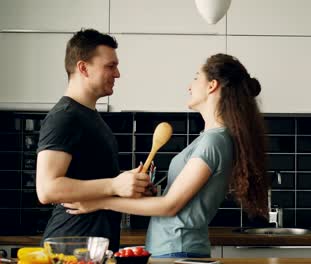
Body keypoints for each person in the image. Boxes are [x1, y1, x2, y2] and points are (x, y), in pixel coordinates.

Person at [64, 53, 270, 258]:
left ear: (211, 86)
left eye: (197, 77)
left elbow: (170, 206)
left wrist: (99, 201)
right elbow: (177, 202)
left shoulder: (214, 141)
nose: (190, 86)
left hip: (179, 249)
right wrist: (153, 195)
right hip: (174, 248)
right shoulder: (210, 138)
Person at [36, 28, 150, 251]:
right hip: (69, 247)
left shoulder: (89, 116)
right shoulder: (65, 117)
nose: (117, 74)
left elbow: (92, 181)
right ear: (83, 67)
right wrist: (114, 184)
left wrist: (129, 183)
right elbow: (47, 188)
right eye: (110, 66)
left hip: (92, 247)